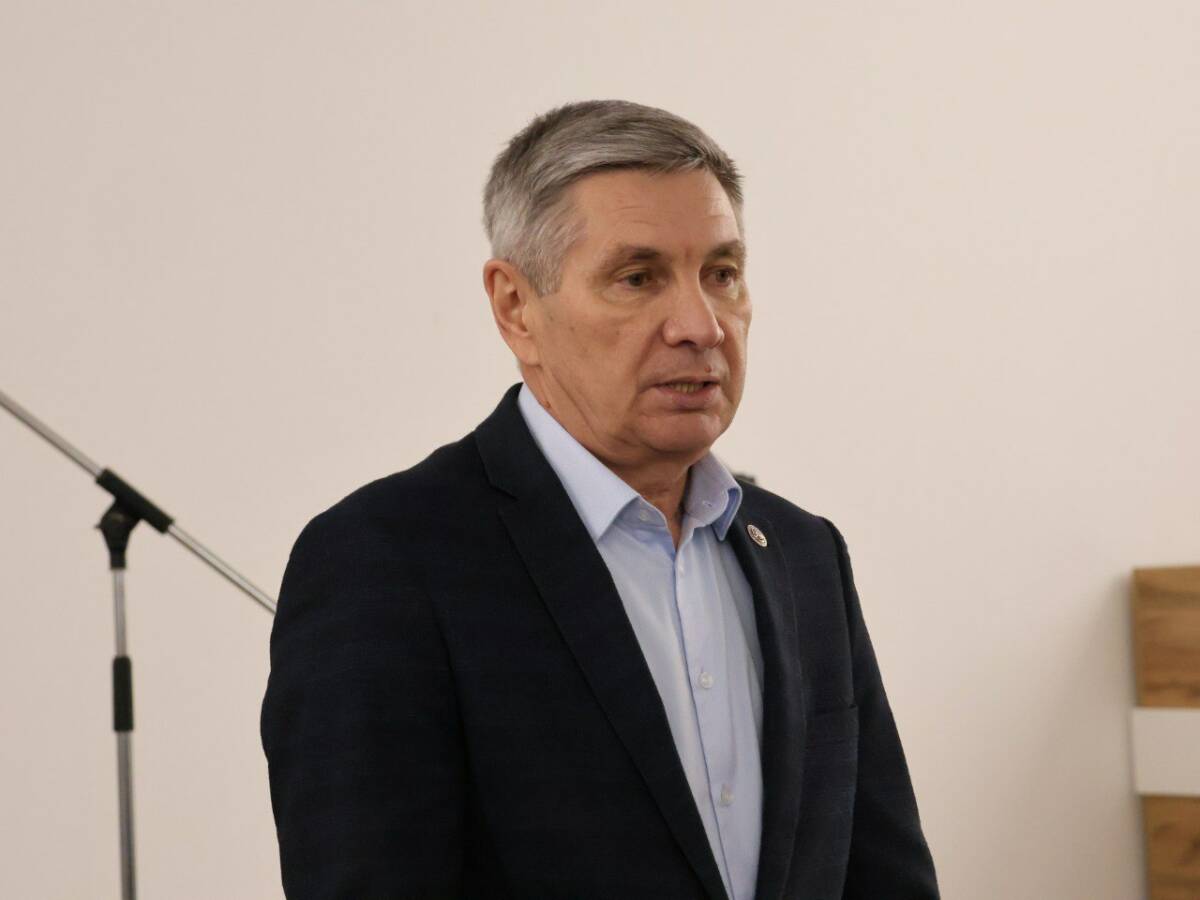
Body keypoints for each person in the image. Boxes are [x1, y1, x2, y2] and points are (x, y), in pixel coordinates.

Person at [260, 98, 939, 900]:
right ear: (516, 307)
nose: (700, 325)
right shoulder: (386, 561)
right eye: (638, 278)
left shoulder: (804, 554)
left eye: (721, 274)